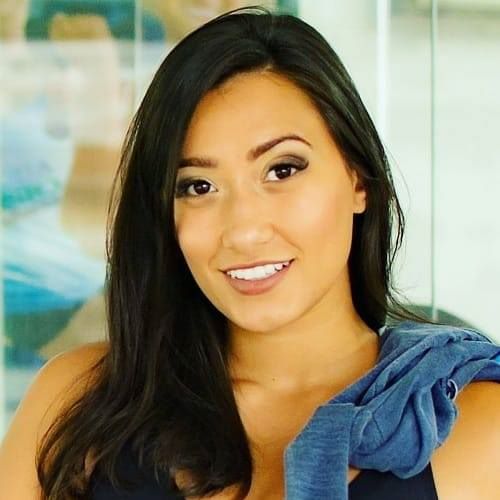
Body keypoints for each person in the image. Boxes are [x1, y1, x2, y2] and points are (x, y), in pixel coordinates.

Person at [1, 6, 500, 500]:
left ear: (358, 180)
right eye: (198, 186)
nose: (242, 230)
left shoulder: (478, 431)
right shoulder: (75, 402)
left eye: (282, 170)